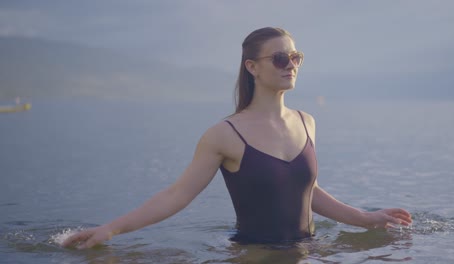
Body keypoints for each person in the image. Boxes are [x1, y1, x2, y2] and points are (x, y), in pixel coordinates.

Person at [62, 27, 412, 249]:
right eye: (279, 58)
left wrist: (366, 217)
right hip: (253, 256)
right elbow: (177, 195)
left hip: (308, 252)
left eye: (295, 57)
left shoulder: (307, 122)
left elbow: (308, 192)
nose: (290, 64)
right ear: (252, 67)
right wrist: (110, 230)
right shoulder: (224, 135)